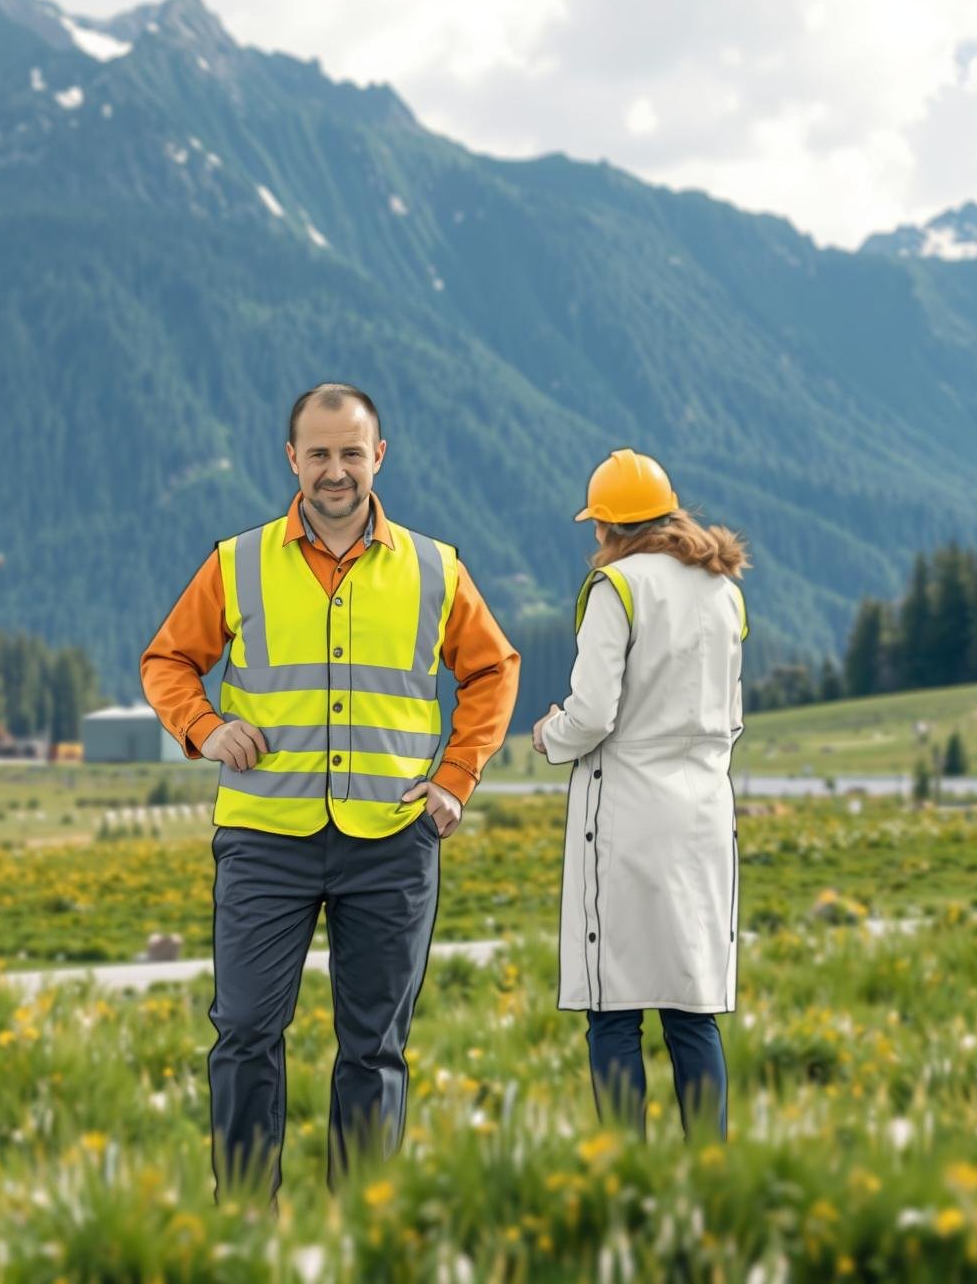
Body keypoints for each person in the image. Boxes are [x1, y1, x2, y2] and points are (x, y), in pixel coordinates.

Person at [141, 382, 519, 1207]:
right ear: (292, 459)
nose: (336, 470)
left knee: (374, 1048)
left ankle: (360, 1230)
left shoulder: (435, 567)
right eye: (319, 454)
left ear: (378, 456)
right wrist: (204, 728)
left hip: (392, 839)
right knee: (244, 1032)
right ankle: (246, 1222)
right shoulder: (238, 562)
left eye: (351, 452)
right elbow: (166, 661)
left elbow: (494, 670)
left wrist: (456, 778)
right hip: (264, 839)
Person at [531, 448, 748, 1143]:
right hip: (704, 814)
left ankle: (626, 1169)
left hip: (626, 818)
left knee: (613, 1007)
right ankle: (710, 1170)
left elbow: (593, 713)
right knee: (692, 1008)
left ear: (609, 526)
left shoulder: (616, 588)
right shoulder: (722, 590)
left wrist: (549, 735)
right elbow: (731, 717)